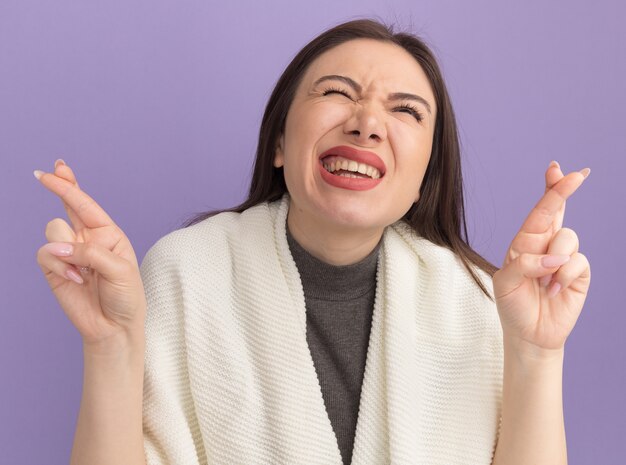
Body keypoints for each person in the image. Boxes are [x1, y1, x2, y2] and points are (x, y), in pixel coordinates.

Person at [34, 18, 590, 465]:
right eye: (336, 93)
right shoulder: (187, 270)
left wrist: (537, 354)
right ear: (279, 142)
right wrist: (110, 345)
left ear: (425, 178)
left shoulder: (479, 302)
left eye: (405, 111)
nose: (367, 122)